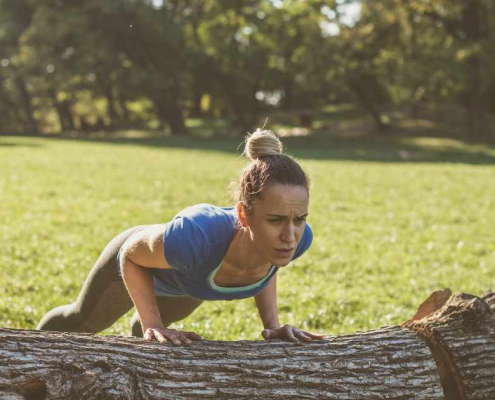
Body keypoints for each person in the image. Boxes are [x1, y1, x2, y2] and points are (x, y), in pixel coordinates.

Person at [37, 129, 325, 345]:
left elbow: (267, 263)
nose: (290, 235)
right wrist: (153, 324)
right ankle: (29, 347)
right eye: (275, 220)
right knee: (81, 321)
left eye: (299, 219)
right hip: (141, 261)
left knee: (153, 335)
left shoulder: (297, 239)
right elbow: (130, 256)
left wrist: (272, 325)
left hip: (189, 278)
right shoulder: (196, 235)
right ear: (243, 215)